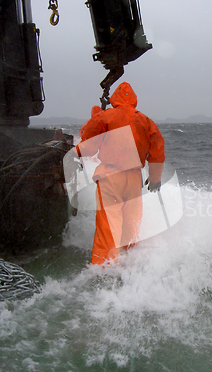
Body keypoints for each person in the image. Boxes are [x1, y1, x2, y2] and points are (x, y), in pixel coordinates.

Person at [76, 82, 165, 265]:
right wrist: (155, 178)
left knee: (109, 225)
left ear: (114, 98)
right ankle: (131, 263)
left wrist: (76, 152)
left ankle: (105, 267)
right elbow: (157, 150)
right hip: (134, 178)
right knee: (131, 224)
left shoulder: (105, 117)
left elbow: (89, 145)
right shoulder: (146, 121)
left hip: (111, 176)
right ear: (133, 99)